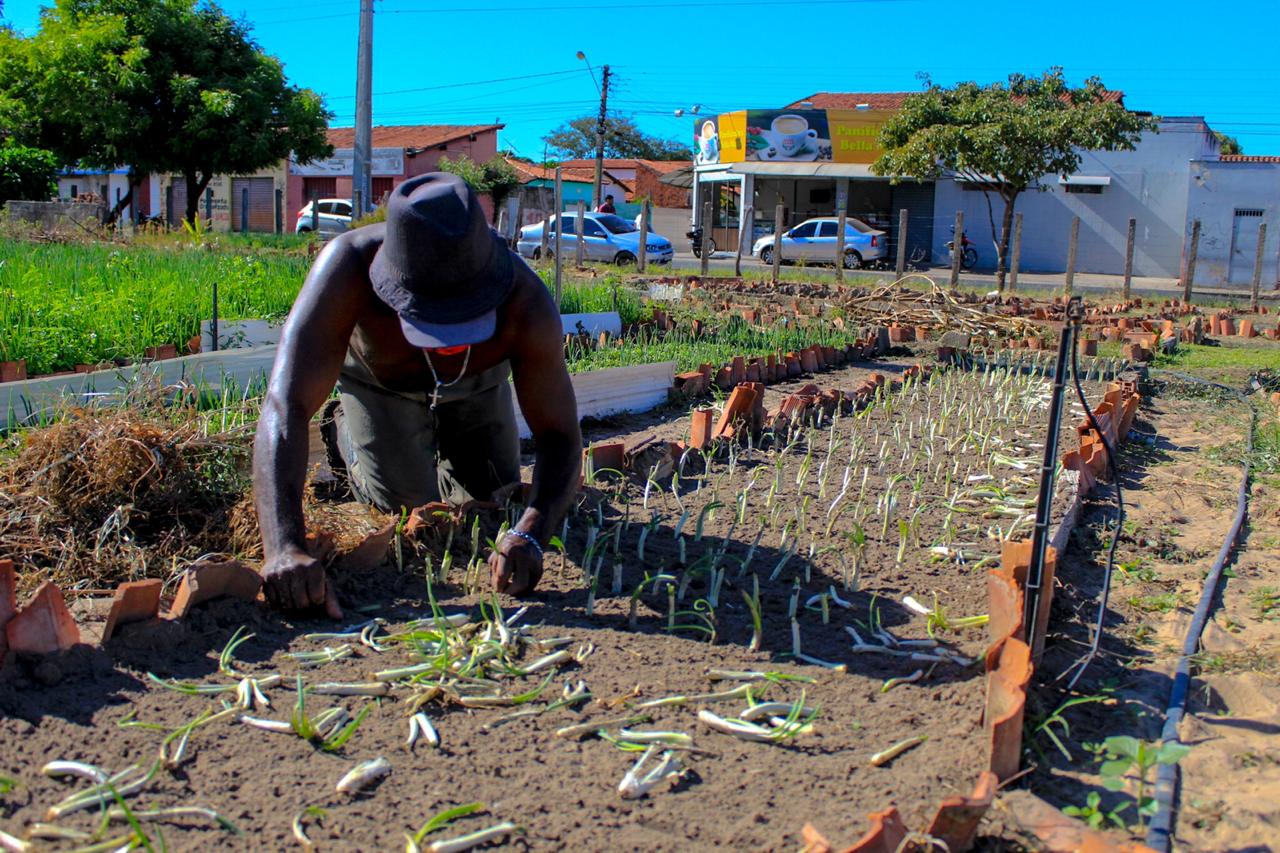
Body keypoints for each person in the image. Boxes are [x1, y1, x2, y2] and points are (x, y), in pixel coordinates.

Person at [253, 173, 582, 616]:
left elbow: (559, 434)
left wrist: (531, 534)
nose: (447, 340)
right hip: (381, 386)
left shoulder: (527, 301)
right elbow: (284, 404)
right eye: (429, 321)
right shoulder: (346, 267)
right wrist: (284, 546)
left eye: (466, 320)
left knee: (492, 502)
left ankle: (452, 450)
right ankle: (344, 431)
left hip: (478, 387)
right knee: (409, 514)